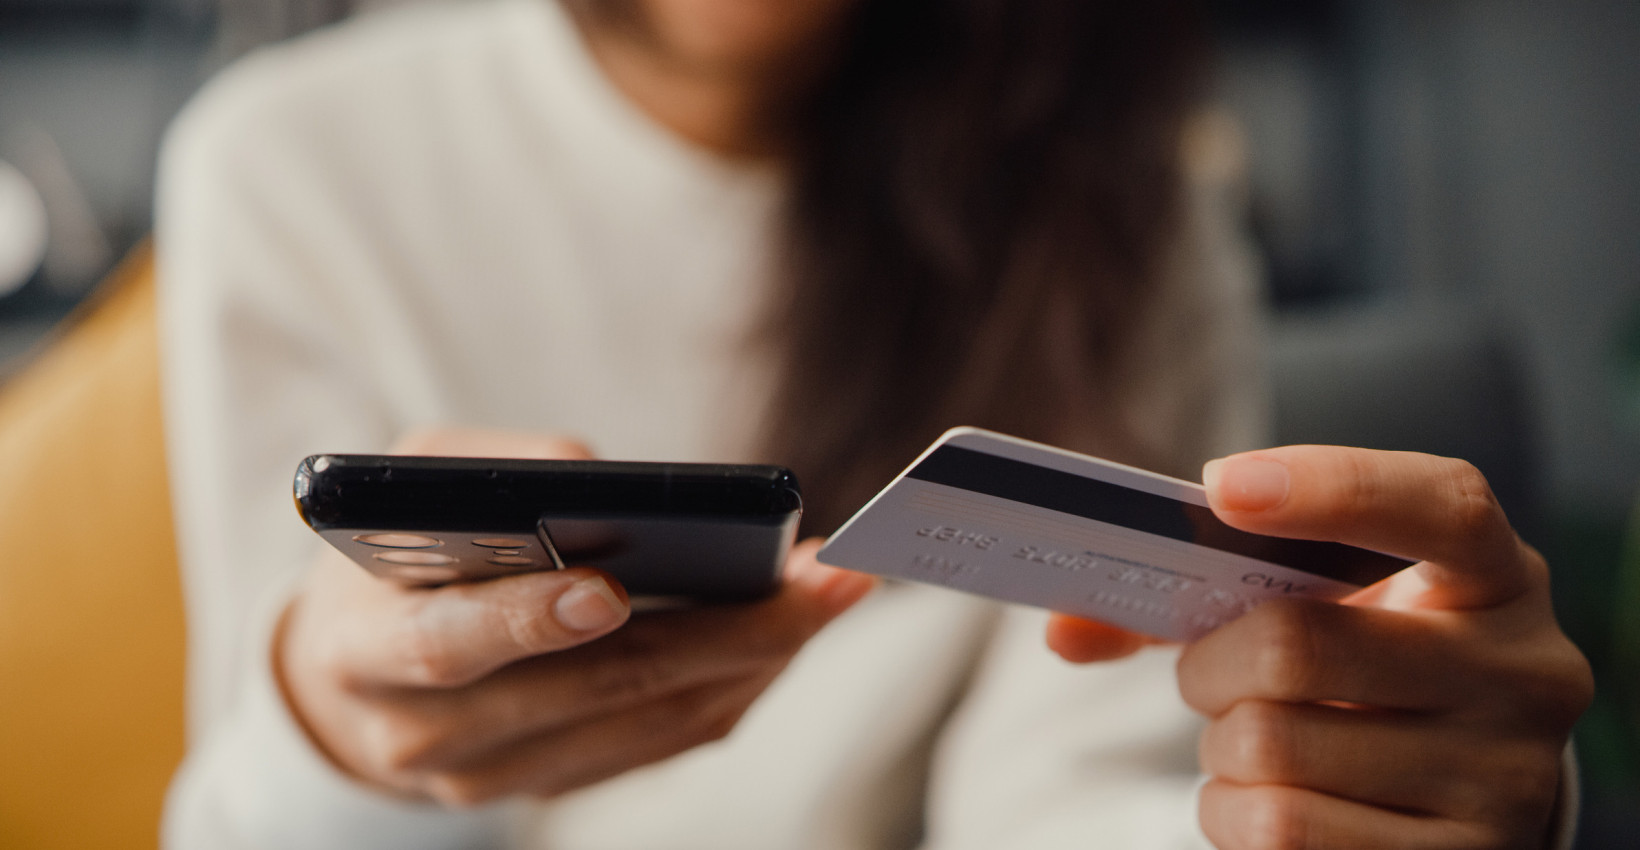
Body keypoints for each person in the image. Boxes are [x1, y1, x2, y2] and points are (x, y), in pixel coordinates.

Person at [155, 0, 1593, 847]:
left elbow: (1076, 799)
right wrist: (331, 737)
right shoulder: (287, 163)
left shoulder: (1111, 211)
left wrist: (1376, 783)